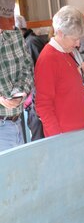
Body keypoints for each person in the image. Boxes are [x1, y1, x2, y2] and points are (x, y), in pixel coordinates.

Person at [34, 6, 84, 137]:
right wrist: (58, 138)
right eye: (75, 39)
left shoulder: (67, 52)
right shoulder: (48, 59)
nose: (78, 44)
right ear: (60, 33)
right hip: (64, 137)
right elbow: (43, 105)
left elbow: (65, 87)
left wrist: (81, 74)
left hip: (77, 132)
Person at [0, 0, 34, 151]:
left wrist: (20, 93)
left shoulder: (15, 36)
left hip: (17, 120)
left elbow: (27, 68)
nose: (9, 25)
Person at [15, 14, 47, 142]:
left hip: (37, 103)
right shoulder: (33, 40)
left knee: (39, 141)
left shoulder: (30, 43)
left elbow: (38, 76)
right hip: (35, 102)